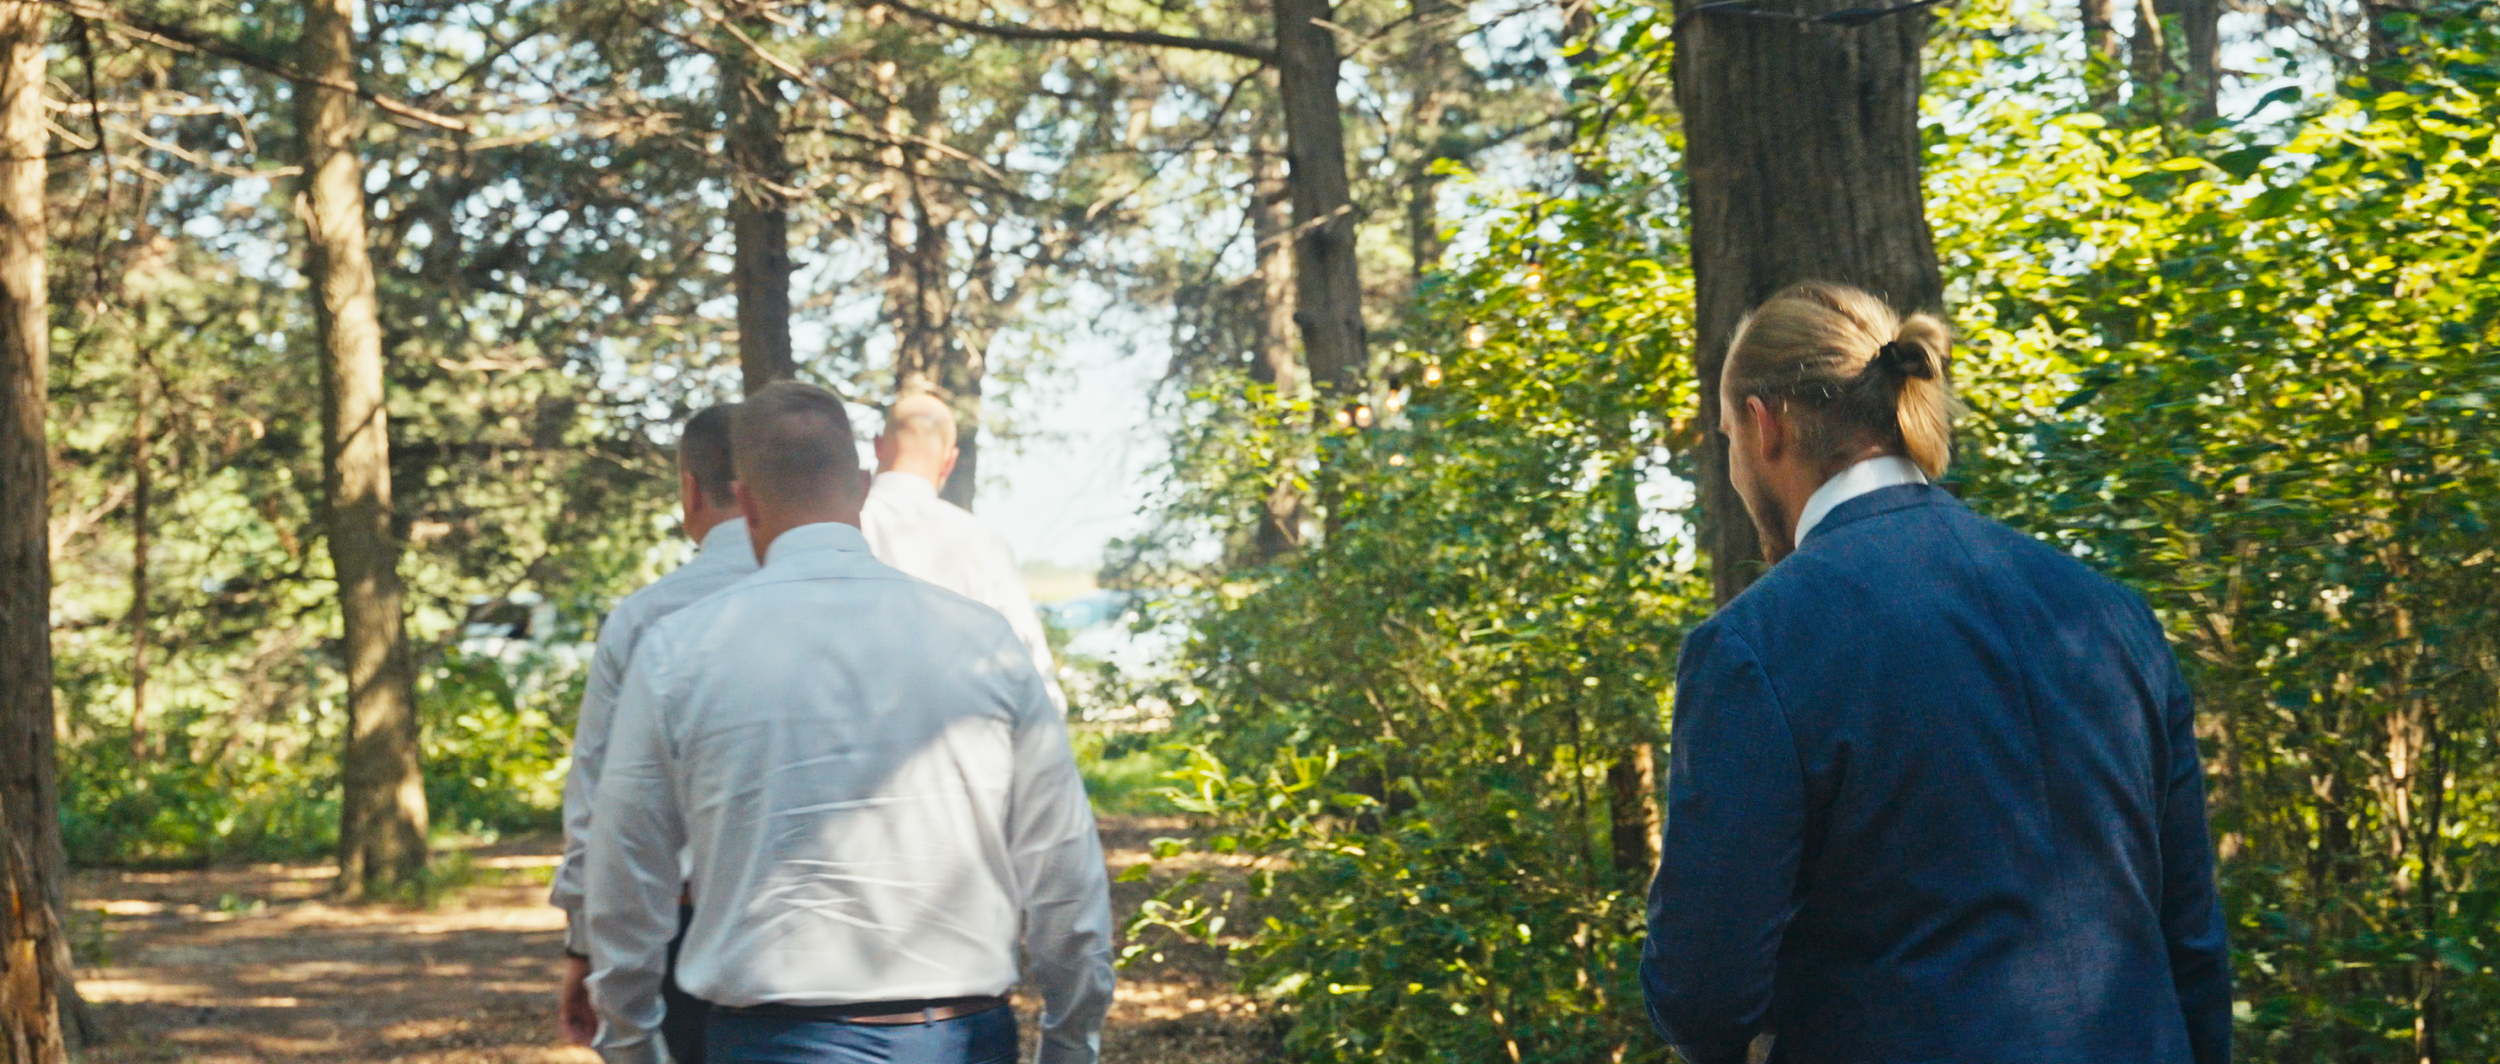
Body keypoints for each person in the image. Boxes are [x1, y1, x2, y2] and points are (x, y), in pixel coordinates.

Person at [1640, 282, 2230, 1064]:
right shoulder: (2112, 617)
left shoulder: (1756, 648)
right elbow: (2191, 942)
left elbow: (1702, 996)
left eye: (1726, 438)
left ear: (1763, 423)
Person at [583, 381, 1115, 1064]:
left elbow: (626, 870)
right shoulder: (984, 641)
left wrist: (630, 1044)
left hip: (769, 1040)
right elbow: (1063, 867)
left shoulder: (677, 652)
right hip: (957, 1035)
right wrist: (1071, 1045)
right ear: (864, 486)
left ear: (743, 501)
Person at [553, 404, 753, 1062]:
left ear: (690, 490)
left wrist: (584, 946)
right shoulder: (858, 606)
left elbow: (598, 801)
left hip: (686, 928)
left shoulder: (644, 621)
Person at [861, 393, 1063, 709]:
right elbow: (1034, 675)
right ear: (950, 461)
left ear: (877, 446)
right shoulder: (984, 543)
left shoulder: (846, 527)